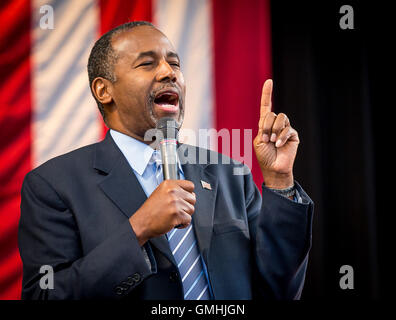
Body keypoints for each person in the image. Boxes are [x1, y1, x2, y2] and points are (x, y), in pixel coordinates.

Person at [18, 21, 313, 300]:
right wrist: (138, 229)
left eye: (174, 64)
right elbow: (47, 293)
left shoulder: (228, 173)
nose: (167, 72)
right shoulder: (53, 185)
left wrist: (279, 181)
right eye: (147, 63)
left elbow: (278, 289)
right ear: (103, 90)